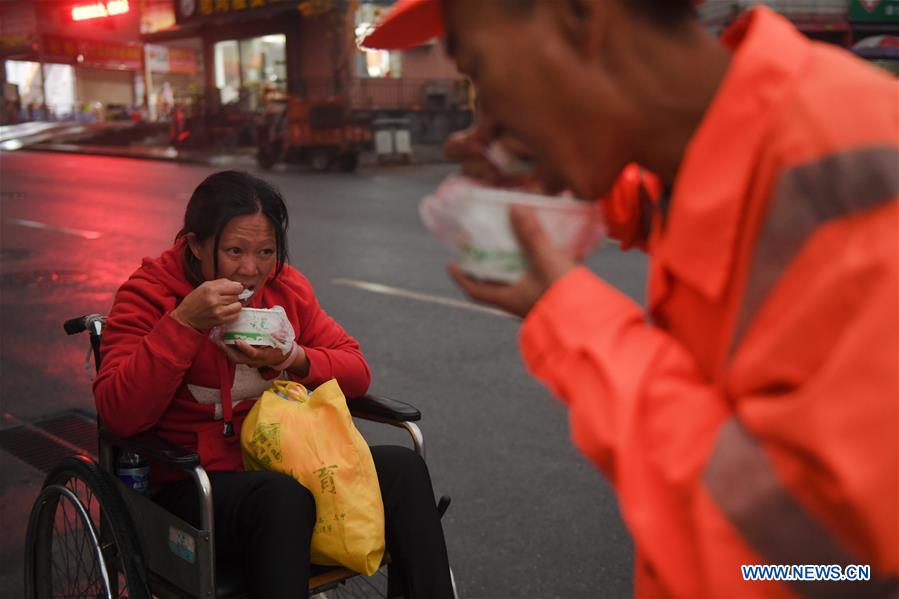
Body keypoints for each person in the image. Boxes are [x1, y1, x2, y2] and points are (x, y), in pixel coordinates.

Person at [363, 0, 898, 597]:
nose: (482, 125)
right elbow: (677, 196)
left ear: (582, 16)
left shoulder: (853, 184)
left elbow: (824, 568)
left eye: (481, 73)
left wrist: (571, 317)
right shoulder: (741, 143)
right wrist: (554, 172)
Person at [93, 170, 454, 598]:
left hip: (285, 464)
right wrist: (185, 323)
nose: (251, 270)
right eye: (234, 251)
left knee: (404, 468)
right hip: (192, 485)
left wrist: (293, 358)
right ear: (195, 244)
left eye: (266, 251)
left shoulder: (285, 287)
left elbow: (356, 369)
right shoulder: (150, 294)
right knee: (281, 497)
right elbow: (119, 411)